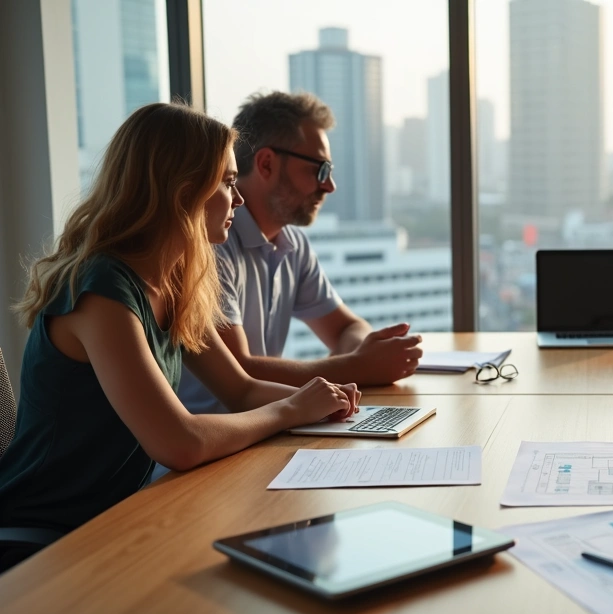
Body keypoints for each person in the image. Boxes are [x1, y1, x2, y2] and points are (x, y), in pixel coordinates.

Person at [0, 103, 359, 556]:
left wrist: (327, 401)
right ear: (183, 191)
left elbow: (242, 391)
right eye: (228, 183)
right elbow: (180, 443)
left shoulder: (175, 284)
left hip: (114, 523)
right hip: (39, 538)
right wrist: (291, 410)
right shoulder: (101, 293)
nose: (241, 198)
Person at [177, 91, 422, 415]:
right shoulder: (211, 244)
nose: (329, 185)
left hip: (264, 428)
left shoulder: (291, 243)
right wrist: (356, 368)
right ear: (266, 163)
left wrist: (355, 363)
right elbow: (239, 372)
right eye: (320, 170)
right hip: (223, 443)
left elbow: (347, 329)